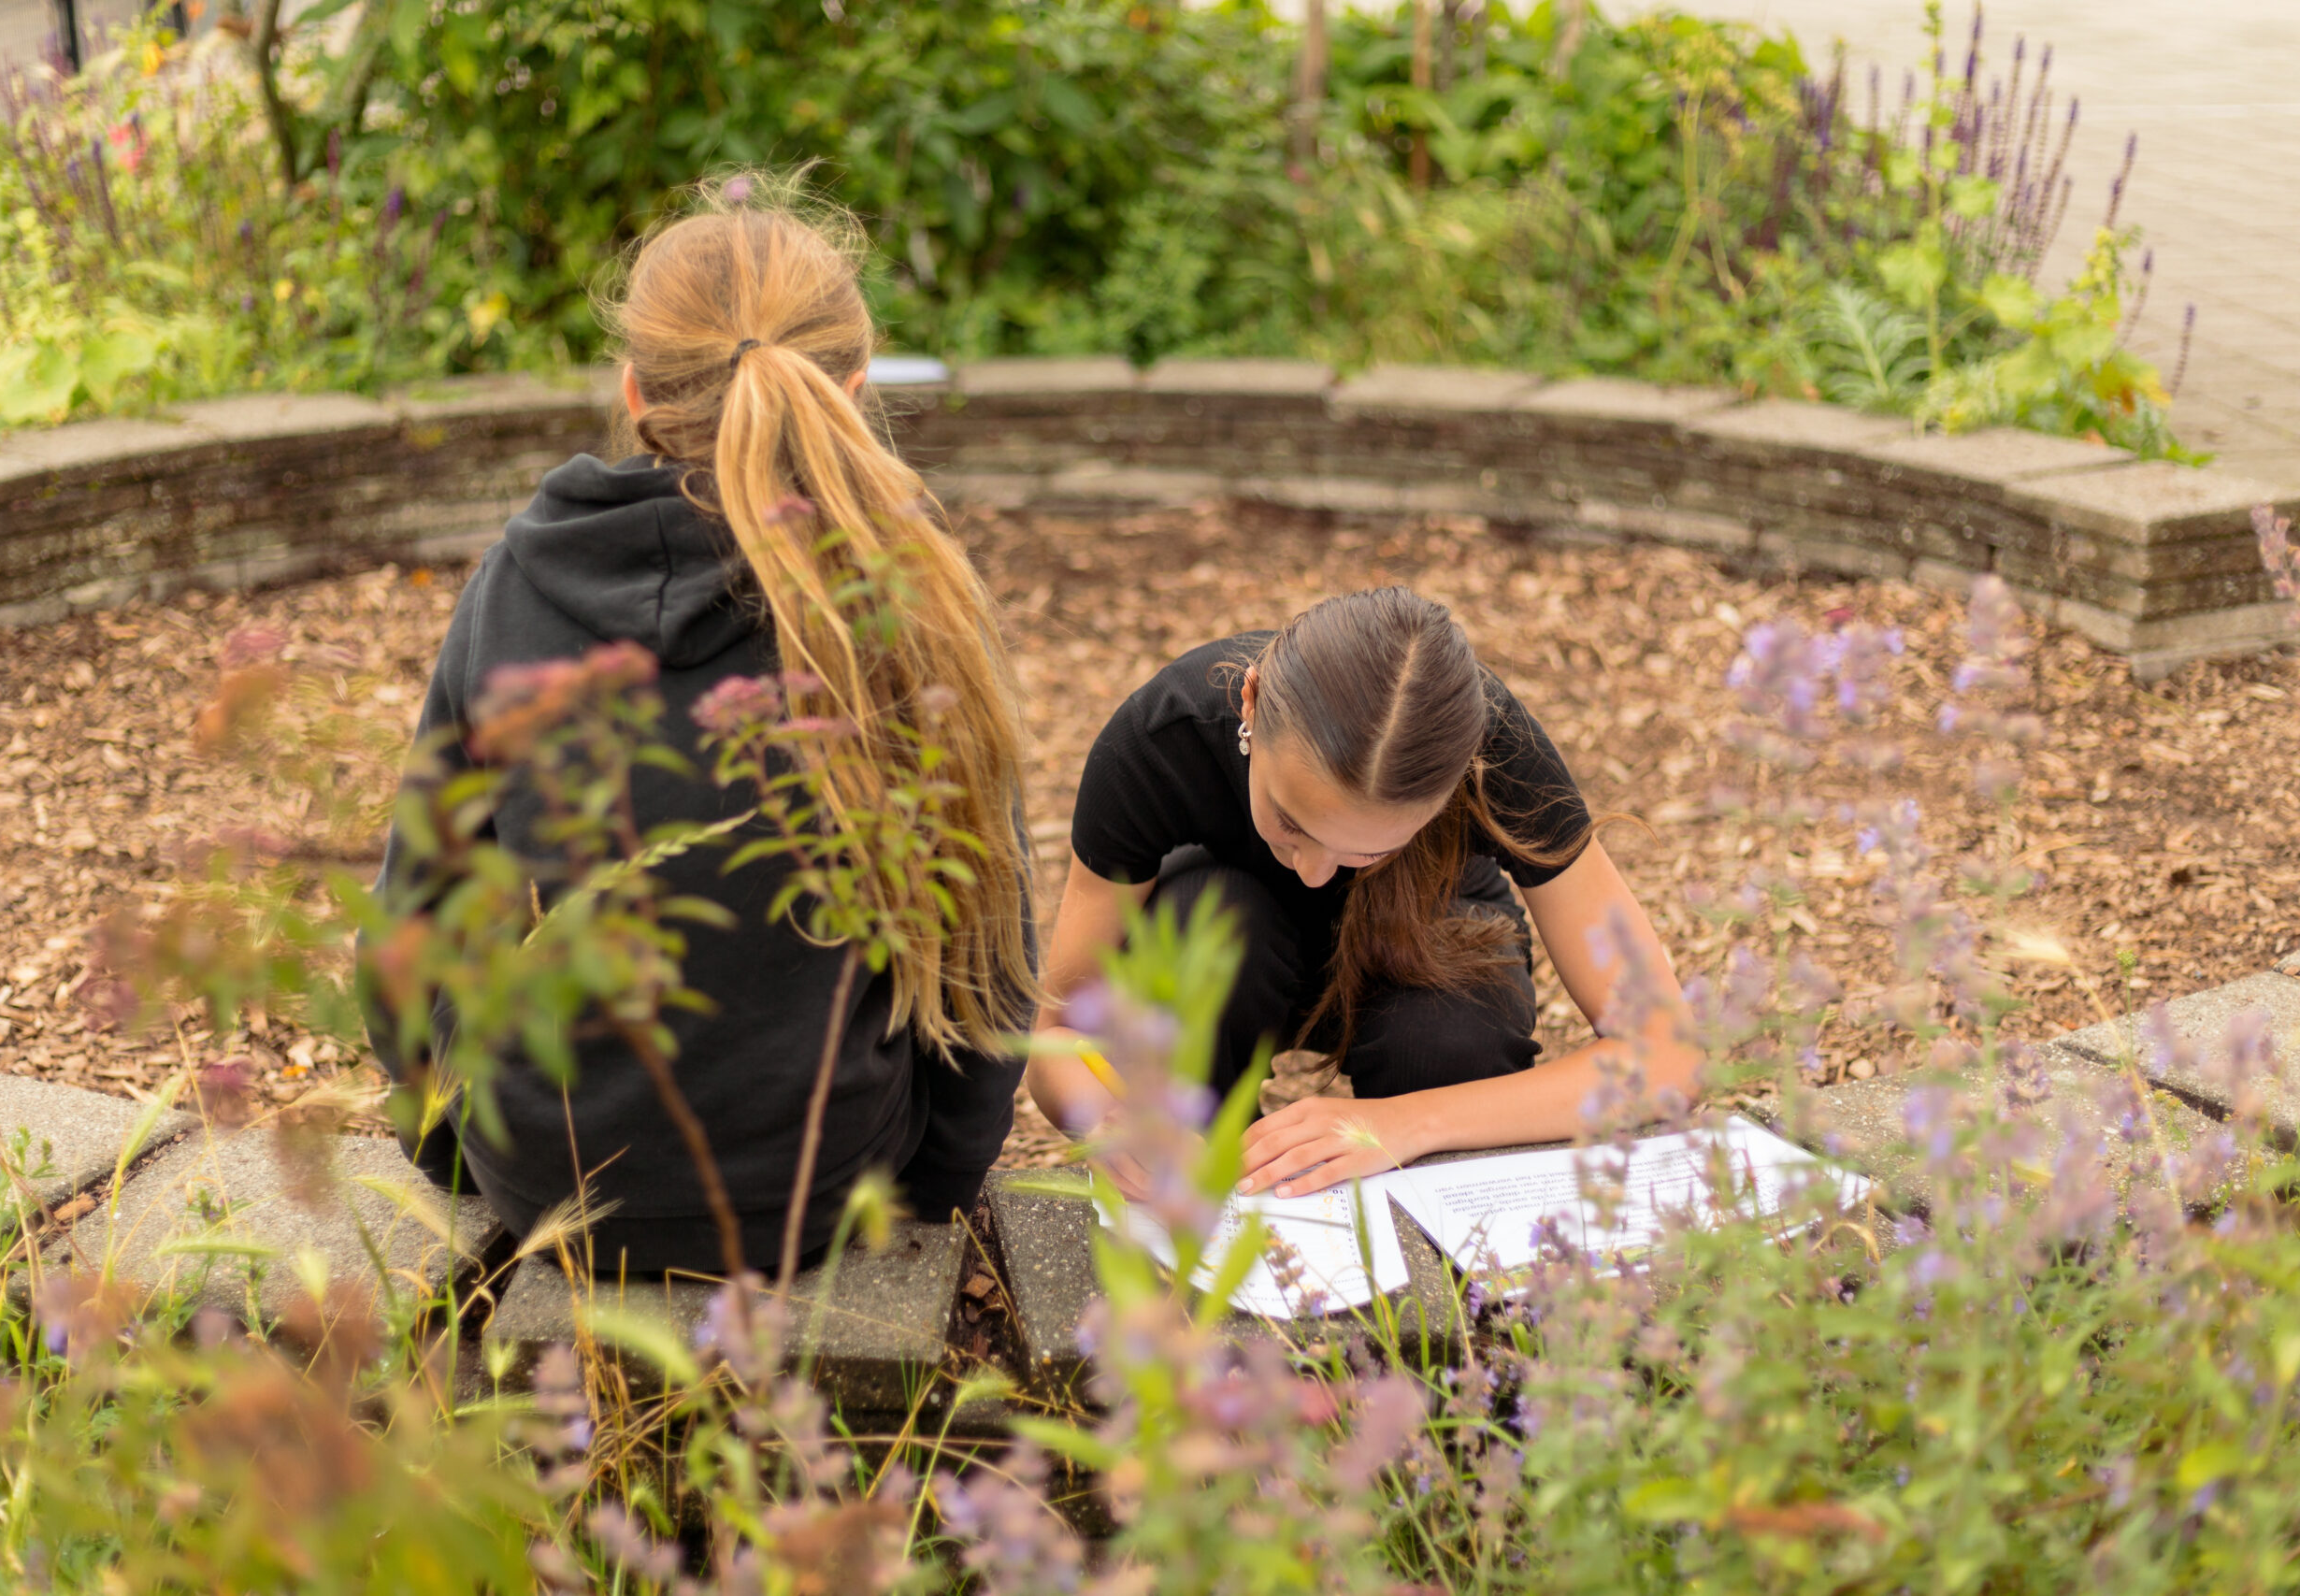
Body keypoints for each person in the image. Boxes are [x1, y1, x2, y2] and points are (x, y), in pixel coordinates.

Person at [365, 174, 1036, 1275]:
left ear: (634, 390)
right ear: (855, 385)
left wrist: (447, 1148)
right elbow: (985, 951)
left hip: (544, 1176)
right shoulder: (909, 602)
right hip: (818, 1190)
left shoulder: (514, 584)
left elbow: (413, 913)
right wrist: (937, 1186)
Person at [1025, 586, 1698, 1200]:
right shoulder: (1161, 738)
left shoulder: (1500, 751)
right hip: (1236, 933)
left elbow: (1669, 1052)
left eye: (1370, 849)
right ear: (1250, 703)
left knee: (1449, 1039)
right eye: (1290, 822)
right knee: (1205, 927)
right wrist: (1108, 1116)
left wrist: (1409, 1122)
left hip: (1424, 936)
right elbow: (1055, 1034)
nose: (1316, 873)